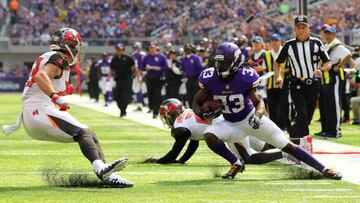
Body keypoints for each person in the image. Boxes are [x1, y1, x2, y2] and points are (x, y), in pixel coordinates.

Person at [3, 28, 132, 187]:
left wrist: (59, 92)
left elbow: (44, 79)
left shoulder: (52, 57)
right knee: (82, 132)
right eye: (76, 46)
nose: (78, 51)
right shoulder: (58, 57)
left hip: (35, 113)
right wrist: (55, 96)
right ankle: (100, 168)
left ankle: (107, 174)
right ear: (68, 44)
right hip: (37, 110)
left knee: (89, 133)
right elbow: (41, 76)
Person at [192, 42, 341, 180]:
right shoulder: (209, 77)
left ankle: (324, 169)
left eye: (225, 62)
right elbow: (196, 102)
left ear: (235, 62)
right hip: (230, 123)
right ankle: (236, 163)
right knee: (209, 135)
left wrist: (257, 116)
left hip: (250, 119)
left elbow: (259, 102)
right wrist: (201, 113)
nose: (220, 65)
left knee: (284, 144)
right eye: (218, 61)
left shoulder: (244, 76)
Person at [143, 98, 311, 164]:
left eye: (168, 116)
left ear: (173, 114)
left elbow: (175, 151)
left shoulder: (180, 128)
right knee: (264, 146)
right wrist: (182, 161)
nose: (167, 119)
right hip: (229, 122)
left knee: (248, 158)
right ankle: (301, 142)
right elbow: (193, 142)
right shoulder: (186, 115)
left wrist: (157, 160)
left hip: (227, 127)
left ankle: (287, 154)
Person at [274, 15, 331, 138]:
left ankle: (294, 134)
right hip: (296, 84)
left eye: (303, 27)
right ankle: (304, 141)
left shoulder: (317, 43)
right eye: (298, 27)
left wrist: (321, 69)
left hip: (313, 84)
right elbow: (277, 62)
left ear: (308, 28)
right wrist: (278, 77)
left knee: (308, 115)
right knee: (302, 113)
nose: (301, 30)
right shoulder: (289, 45)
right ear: (295, 29)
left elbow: (328, 62)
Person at [317, 26, 354, 137]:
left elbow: (349, 54)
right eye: (326, 33)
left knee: (334, 105)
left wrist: (340, 65)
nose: (327, 35)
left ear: (334, 35)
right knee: (327, 105)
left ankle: (336, 131)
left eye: (330, 33)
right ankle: (327, 129)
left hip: (334, 77)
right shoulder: (327, 45)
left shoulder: (336, 45)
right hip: (326, 77)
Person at [264, 34, 290, 130]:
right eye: (273, 41)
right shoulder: (267, 54)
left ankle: (284, 125)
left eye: (277, 40)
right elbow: (265, 69)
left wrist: (283, 71)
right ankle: (273, 126)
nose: (275, 43)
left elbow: (292, 68)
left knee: (284, 104)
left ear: (280, 42)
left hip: (284, 83)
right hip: (271, 84)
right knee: (272, 106)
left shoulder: (287, 52)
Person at [109, 43, 139, 117]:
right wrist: (109, 77)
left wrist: (138, 77)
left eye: (121, 49)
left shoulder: (128, 58)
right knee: (117, 96)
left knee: (125, 95)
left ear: (123, 50)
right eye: (118, 50)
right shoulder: (114, 59)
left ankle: (123, 110)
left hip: (127, 79)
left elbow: (134, 68)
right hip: (118, 80)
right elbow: (111, 69)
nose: (119, 51)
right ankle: (122, 109)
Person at [142, 42, 168, 118]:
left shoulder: (161, 57)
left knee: (157, 94)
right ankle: (152, 108)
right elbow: (142, 66)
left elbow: (166, 67)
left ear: (156, 48)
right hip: (150, 78)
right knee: (151, 94)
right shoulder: (146, 57)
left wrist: (159, 68)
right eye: (150, 48)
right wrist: (146, 68)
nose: (152, 49)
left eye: (153, 48)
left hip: (159, 78)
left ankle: (156, 112)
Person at [131, 42, 147, 111]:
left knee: (142, 89)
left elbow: (146, 63)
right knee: (136, 89)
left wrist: (142, 71)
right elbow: (132, 66)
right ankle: (140, 104)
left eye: (136, 47)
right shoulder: (133, 55)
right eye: (134, 47)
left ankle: (142, 104)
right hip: (136, 74)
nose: (135, 49)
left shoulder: (142, 54)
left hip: (142, 73)